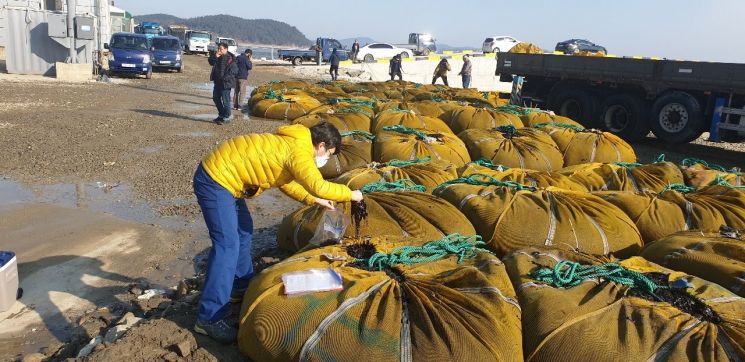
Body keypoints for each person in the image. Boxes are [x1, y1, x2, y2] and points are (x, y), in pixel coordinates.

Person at [192, 122, 365, 343]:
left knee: (244, 231)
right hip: (216, 180)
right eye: (328, 154)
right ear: (321, 145)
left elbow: (285, 182)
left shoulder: (294, 141)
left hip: (231, 180)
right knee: (227, 245)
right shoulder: (299, 151)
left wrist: (315, 200)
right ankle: (209, 318)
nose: (326, 160)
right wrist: (351, 194)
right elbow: (319, 185)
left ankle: (240, 286)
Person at [208, 43, 238, 125]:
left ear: (226, 49)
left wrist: (224, 78)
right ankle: (221, 115)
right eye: (218, 48)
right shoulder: (217, 56)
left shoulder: (231, 58)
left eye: (221, 49)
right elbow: (210, 62)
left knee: (226, 101)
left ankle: (227, 117)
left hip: (226, 83)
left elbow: (234, 71)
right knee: (215, 98)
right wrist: (215, 56)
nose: (219, 50)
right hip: (217, 82)